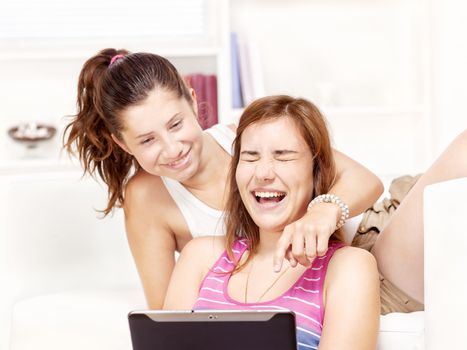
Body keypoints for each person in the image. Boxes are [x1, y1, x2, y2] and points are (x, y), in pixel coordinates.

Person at [63, 48, 383, 309]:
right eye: (148, 140)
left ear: (192, 100)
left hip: (367, 238)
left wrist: (323, 212)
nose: (172, 149)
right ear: (122, 143)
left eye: (175, 125)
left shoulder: (246, 139)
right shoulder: (148, 198)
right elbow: (169, 313)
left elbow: (368, 181)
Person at [163, 95, 381, 350]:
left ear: (316, 170)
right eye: (250, 157)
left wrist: (325, 211)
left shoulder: (348, 267)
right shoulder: (200, 257)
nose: (263, 173)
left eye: (283, 156)